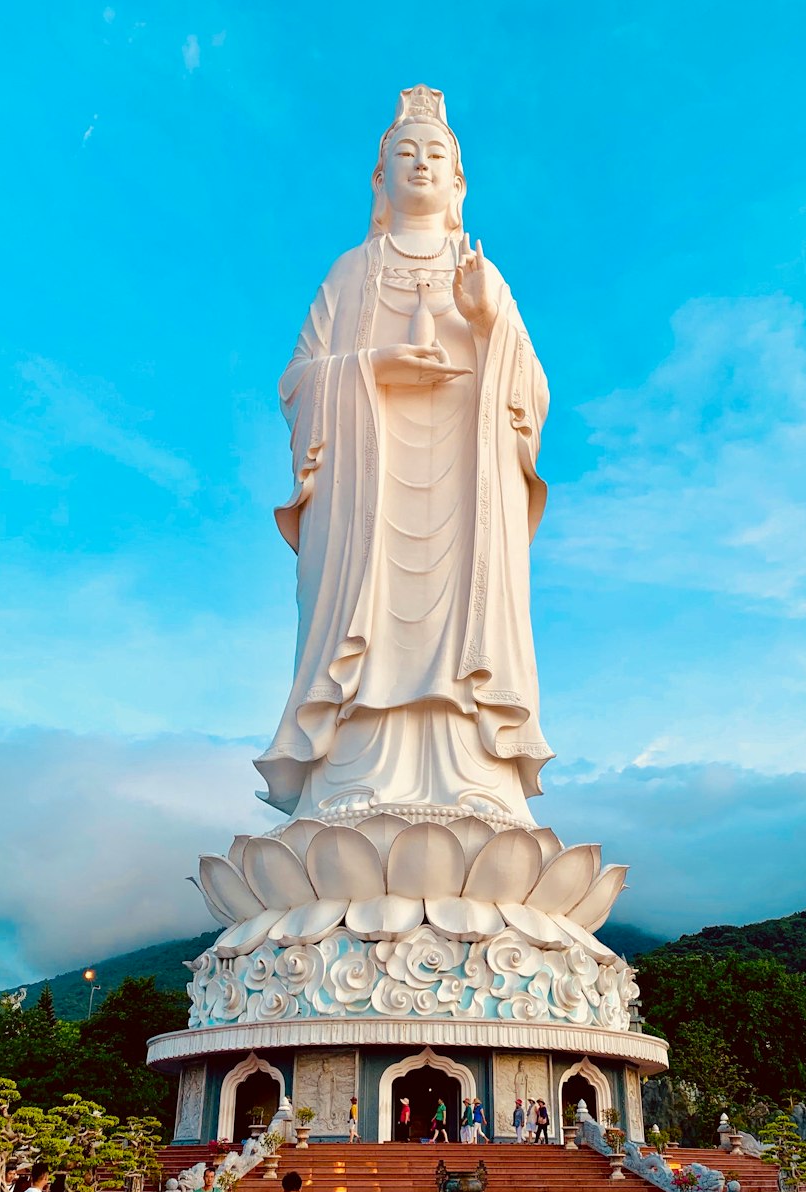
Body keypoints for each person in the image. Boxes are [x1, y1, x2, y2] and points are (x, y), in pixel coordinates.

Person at [254, 85, 553, 826]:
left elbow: (533, 394)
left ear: (458, 184)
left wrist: (492, 326)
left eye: (437, 156)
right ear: (379, 180)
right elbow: (298, 382)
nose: (420, 165)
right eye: (404, 154)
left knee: (465, 633)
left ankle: (476, 782)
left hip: (465, 494)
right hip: (370, 497)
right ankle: (352, 779)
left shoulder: (484, 274)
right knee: (372, 622)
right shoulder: (350, 272)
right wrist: (375, 365)